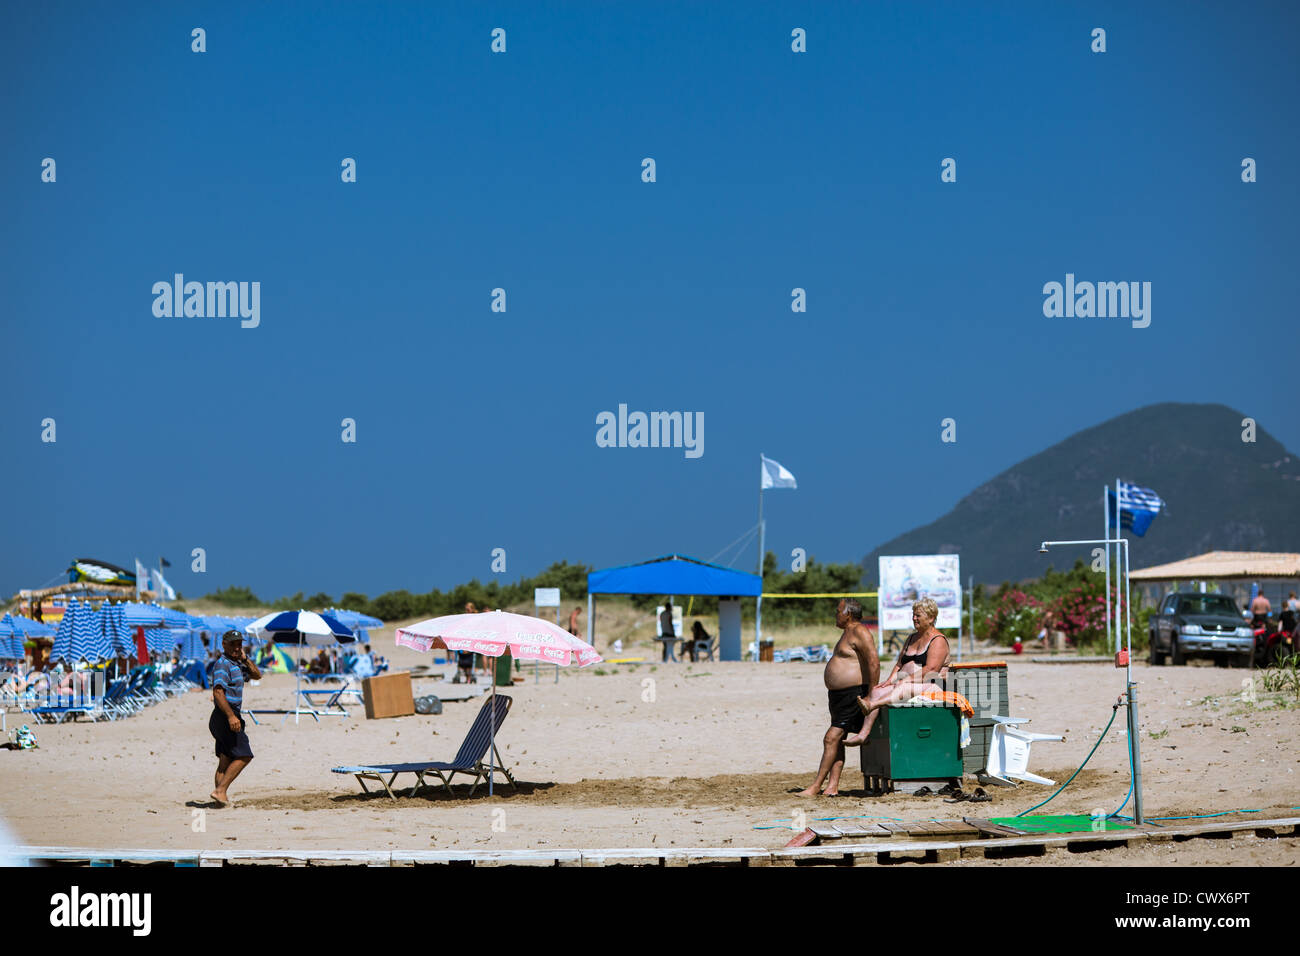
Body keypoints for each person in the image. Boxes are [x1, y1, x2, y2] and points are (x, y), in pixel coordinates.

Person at [797, 599, 880, 797]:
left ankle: (816, 786)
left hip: (854, 694)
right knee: (838, 739)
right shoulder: (847, 633)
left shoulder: (860, 631)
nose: (836, 615)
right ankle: (832, 786)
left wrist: (871, 694)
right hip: (839, 695)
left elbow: (874, 662)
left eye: (838, 611)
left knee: (831, 737)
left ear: (848, 614)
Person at [849, 597, 951, 745]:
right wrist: (889, 680)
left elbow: (931, 670)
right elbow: (899, 663)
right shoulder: (911, 638)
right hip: (909, 682)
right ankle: (863, 734)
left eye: (918, 615)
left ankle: (872, 705)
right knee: (876, 691)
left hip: (933, 684)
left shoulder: (938, 640)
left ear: (931, 618)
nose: (914, 618)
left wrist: (906, 680)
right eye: (913, 614)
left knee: (902, 687)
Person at [209, 630, 261, 807]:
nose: (237, 647)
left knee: (225, 760)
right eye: (233, 644)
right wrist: (231, 716)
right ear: (224, 644)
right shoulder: (223, 664)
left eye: (239, 644)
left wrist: (245, 659)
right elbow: (217, 692)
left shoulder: (236, 664)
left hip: (224, 716)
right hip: (225, 715)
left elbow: (257, 675)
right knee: (245, 755)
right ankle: (220, 791)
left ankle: (219, 801)